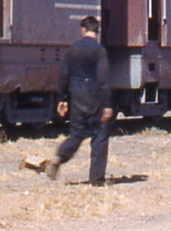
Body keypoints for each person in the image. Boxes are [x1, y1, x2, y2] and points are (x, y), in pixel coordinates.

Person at [40, 14, 115, 185]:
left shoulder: (73, 48)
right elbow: (103, 79)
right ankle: (96, 180)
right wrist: (107, 105)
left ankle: (59, 157)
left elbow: (63, 75)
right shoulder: (100, 50)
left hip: (77, 95)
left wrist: (62, 99)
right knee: (100, 136)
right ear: (97, 31)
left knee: (77, 133)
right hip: (95, 97)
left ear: (83, 30)